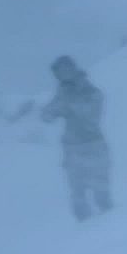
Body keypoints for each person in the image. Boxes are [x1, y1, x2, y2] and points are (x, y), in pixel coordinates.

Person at [40, 55, 111, 219]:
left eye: (66, 69)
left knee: (101, 192)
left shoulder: (91, 90)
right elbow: (48, 113)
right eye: (59, 72)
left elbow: (93, 116)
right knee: (78, 193)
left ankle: (116, 226)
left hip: (94, 144)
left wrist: (69, 107)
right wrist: (51, 112)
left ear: (73, 69)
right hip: (72, 147)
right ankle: (84, 231)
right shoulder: (62, 92)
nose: (63, 74)